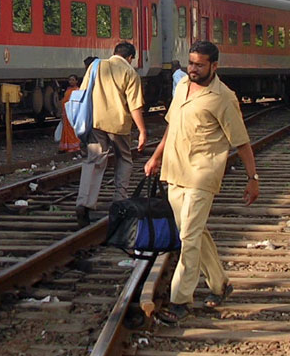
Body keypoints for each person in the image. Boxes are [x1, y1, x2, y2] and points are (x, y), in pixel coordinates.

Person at [145, 40, 260, 324]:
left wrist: (252, 178)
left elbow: (241, 141)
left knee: (188, 238)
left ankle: (181, 300)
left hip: (202, 173)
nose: (193, 69)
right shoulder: (182, 86)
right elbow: (172, 126)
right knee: (191, 230)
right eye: (191, 63)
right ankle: (221, 284)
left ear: (214, 66)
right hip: (174, 170)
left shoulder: (223, 98)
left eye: (199, 64)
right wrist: (156, 157)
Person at [74, 41, 146, 228]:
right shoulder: (130, 73)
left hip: (96, 122)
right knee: (124, 159)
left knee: (94, 160)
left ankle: (84, 202)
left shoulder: (96, 66)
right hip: (119, 125)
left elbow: (83, 93)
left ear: (113, 53)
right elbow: (135, 106)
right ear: (130, 57)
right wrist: (142, 131)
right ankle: (119, 201)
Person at [57, 74, 81, 154]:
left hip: (72, 113)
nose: (71, 81)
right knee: (66, 129)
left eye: (73, 80)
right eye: (70, 80)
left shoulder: (77, 90)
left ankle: (74, 146)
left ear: (77, 81)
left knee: (72, 129)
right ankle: (65, 146)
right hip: (65, 113)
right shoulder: (68, 90)